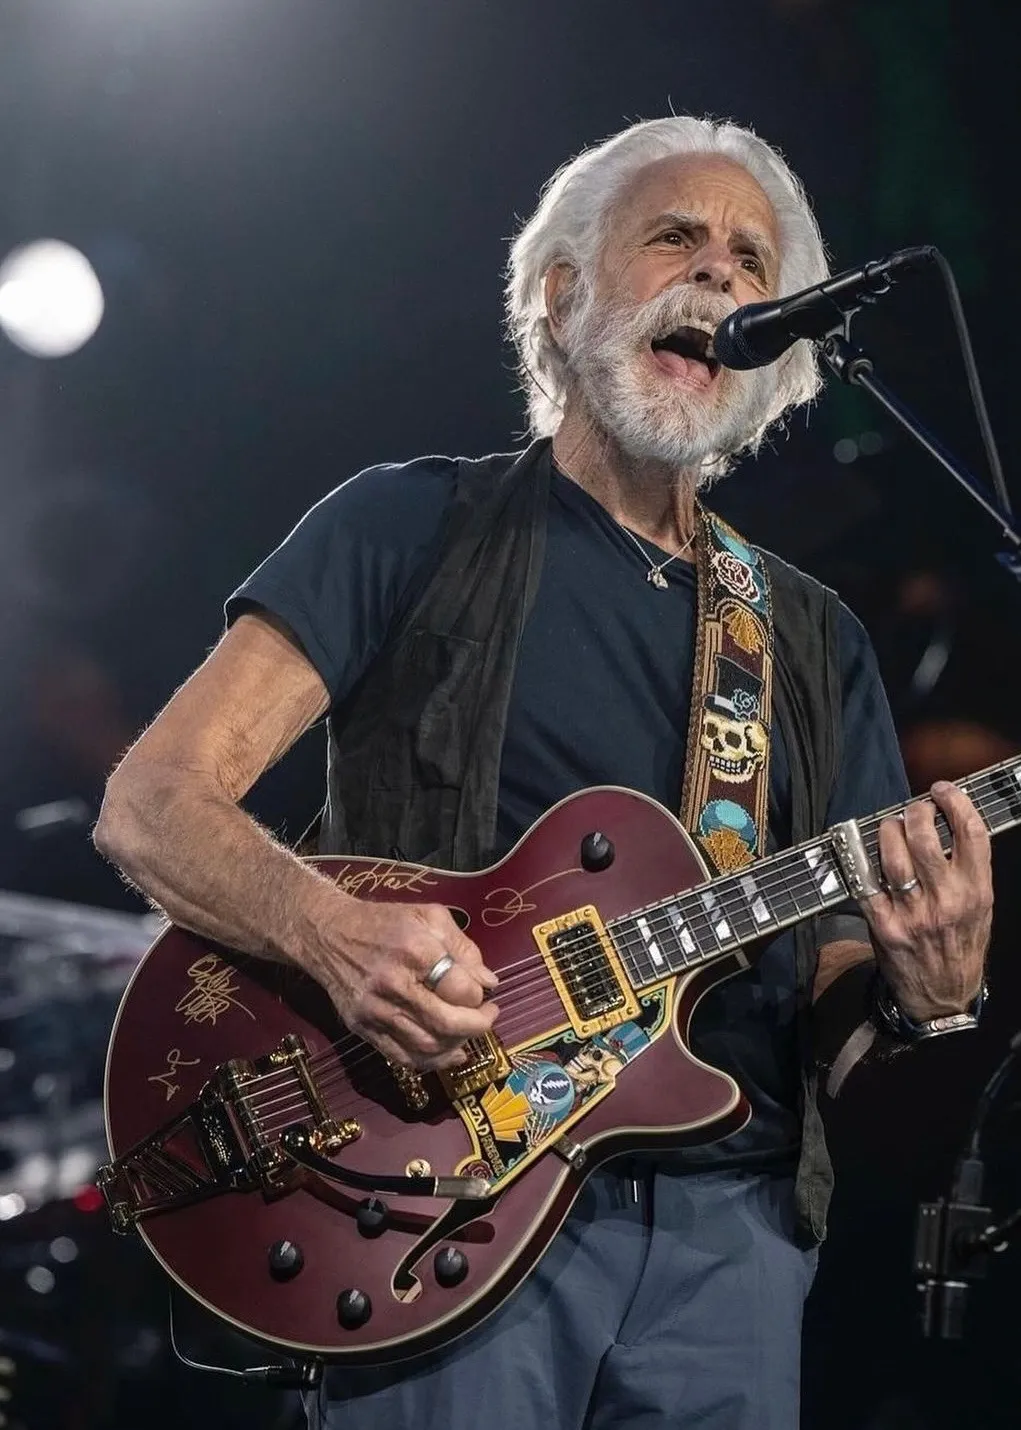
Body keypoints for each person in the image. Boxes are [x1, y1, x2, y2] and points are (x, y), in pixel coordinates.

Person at [94, 116, 992, 1429]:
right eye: (676, 238)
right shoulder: (410, 525)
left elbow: (836, 1004)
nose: (721, 279)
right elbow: (151, 803)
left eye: (752, 260)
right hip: (430, 1210)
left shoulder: (807, 637)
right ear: (564, 295)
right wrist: (339, 939)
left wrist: (929, 994)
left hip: (726, 1251)